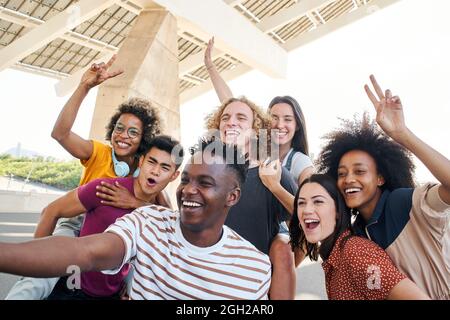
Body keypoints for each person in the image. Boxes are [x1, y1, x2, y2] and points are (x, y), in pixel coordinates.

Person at [0, 138, 272, 300]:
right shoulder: (147, 221)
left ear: (232, 197)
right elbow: (85, 252)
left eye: (205, 183)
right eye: (187, 180)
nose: (189, 190)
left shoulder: (255, 268)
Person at [5, 56, 165, 300]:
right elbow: (60, 133)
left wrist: (136, 203)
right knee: (37, 282)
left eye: (133, 132)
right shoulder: (98, 152)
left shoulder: (145, 172)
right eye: (119, 129)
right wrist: (85, 86)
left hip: (115, 238)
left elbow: (167, 217)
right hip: (78, 225)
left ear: (144, 139)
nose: (123, 136)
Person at [316, 75, 450, 300]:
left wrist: (403, 135)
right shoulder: (358, 231)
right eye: (341, 174)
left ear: (380, 178)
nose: (349, 179)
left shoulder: (403, 202)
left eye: (359, 171)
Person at [36, 135, 181, 299]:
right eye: (151, 162)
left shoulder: (160, 213)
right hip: (71, 289)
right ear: (141, 162)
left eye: (165, 167)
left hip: (112, 294)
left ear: (174, 176)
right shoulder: (106, 188)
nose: (155, 171)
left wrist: (136, 203)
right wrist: (35, 267)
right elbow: (50, 211)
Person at [205, 96, 298, 299]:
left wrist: (274, 187)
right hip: (209, 280)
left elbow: (305, 215)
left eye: (241, 118)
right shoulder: (205, 170)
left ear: (256, 130)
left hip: (252, 287)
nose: (231, 122)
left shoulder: (272, 171)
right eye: (225, 117)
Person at [289, 174, 429, 300]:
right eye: (301, 203)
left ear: (338, 211)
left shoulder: (355, 252)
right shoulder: (335, 253)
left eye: (318, 201)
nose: (306, 210)